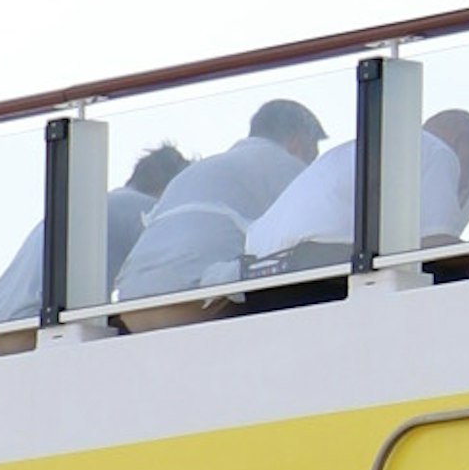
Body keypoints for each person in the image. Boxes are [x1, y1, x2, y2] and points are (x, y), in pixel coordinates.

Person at [115, 98, 325, 321]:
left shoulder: (198, 170)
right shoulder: (285, 167)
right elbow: (318, 234)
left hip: (130, 307)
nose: (312, 162)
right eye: (313, 153)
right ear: (298, 141)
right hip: (193, 302)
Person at [245, 100, 469, 282]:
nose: (465, 186)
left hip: (264, 276)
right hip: (323, 268)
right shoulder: (437, 152)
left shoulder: (352, 154)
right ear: (463, 143)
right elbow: (436, 250)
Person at [0, 142, 183, 354]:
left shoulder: (95, 203)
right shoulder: (146, 211)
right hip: (38, 329)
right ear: (172, 188)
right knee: (167, 321)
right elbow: (166, 278)